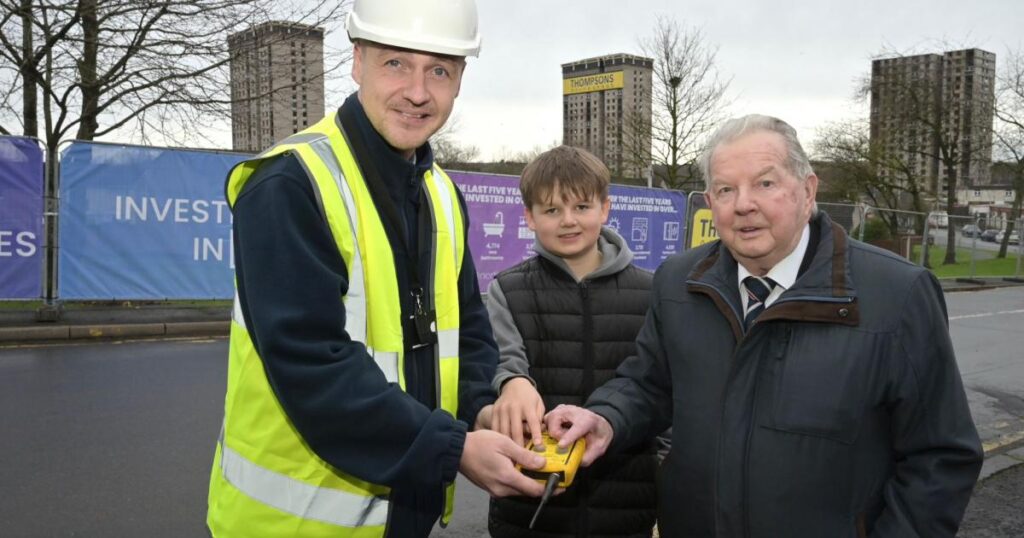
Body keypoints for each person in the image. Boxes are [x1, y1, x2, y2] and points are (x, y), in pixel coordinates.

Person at [545, 114, 984, 537]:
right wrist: (606, 418)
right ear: (710, 201)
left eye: (765, 183)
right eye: (725, 189)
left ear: (807, 191)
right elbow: (649, 384)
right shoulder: (678, 282)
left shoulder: (897, 294)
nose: (744, 204)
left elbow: (940, 456)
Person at [206, 1, 547, 536]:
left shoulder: (440, 194)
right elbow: (311, 362)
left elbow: (468, 330)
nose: (417, 91)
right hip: (287, 525)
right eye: (396, 63)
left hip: (401, 516)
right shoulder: (290, 183)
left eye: (440, 69)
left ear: (461, 79)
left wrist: (485, 406)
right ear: (357, 60)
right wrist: (455, 448)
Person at [485, 146, 658, 537]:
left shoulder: (652, 292)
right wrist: (509, 382)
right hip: (527, 507)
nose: (568, 221)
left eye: (581, 207)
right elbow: (498, 364)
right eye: (551, 210)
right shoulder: (508, 291)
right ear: (529, 217)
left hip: (626, 503)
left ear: (605, 209)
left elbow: (659, 390)